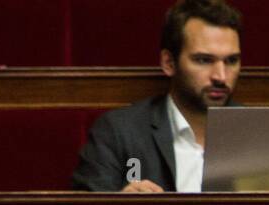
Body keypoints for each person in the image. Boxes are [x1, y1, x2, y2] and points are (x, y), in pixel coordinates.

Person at [72, 0, 245, 192]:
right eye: (204, 60)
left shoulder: (256, 132)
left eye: (231, 61)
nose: (220, 76)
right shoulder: (119, 132)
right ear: (169, 63)